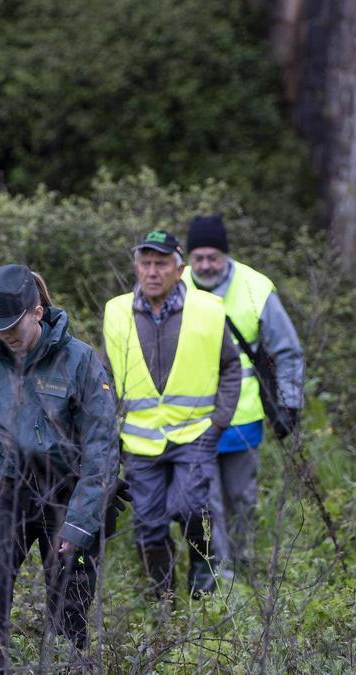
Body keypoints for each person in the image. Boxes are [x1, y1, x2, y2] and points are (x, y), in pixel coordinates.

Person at [0, 264, 118, 673]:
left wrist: (80, 524)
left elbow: (103, 450)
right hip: (8, 491)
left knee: (69, 611)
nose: (5, 335)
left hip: (68, 495)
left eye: (13, 325)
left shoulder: (81, 362)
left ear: (37, 312)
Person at [102, 230, 241, 599]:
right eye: (145, 264)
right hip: (139, 439)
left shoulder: (209, 310)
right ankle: (162, 599)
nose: (152, 272)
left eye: (161, 264)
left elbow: (231, 366)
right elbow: (106, 375)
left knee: (191, 507)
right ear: (135, 268)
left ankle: (203, 574)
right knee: (148, 523)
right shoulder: (116, 311)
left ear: (179, 270)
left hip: (194, 434)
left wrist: (219, 422)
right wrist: (106, 431)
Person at [181, 214, 305, 571]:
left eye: (212, 257)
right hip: (195, 417)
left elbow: (288, 350)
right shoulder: (177, 285)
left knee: (241, 497)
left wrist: (290, 403)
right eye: (198, 258)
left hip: (244, 416)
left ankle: (243, 557)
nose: (205, 265)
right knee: (207, 499)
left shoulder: (257, 287)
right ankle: (221, 570)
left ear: (226, 255)